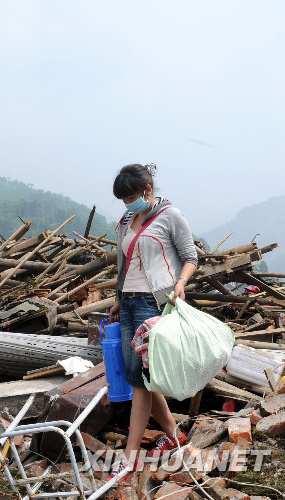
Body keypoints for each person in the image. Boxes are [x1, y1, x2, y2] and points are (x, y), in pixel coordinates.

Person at [104, 163, 198, 482]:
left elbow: (190, 257)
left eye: (131, 196)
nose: (128, 204)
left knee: (139, 380)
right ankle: (174, 434)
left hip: (154, 302)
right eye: (123, 199)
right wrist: (119, 298)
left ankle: (130, 458)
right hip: (129, 302)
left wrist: (181, 284)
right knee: (142, 376)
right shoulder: (127, 219)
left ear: (147, 189)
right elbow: (124, 262)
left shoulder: (171, 215)